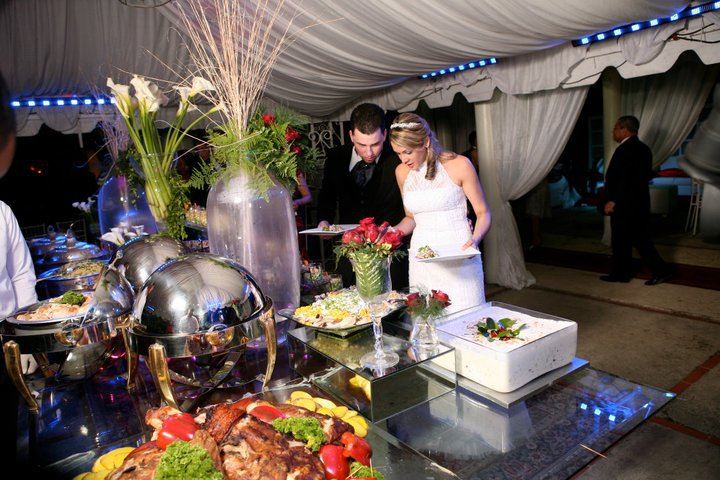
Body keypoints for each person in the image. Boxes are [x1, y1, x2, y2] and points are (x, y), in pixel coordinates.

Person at [390, 113, 490, 312]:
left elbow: (483, 212)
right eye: (398, 153)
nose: (403, 159)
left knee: (466, 318)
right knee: (427, 321)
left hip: (459, 256)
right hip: (422, 259)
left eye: (408, 152)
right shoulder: (401, 172)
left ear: (426, 142)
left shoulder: (460, 165)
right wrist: (391, 233)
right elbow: (411, 218)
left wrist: (475, 240)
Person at [317, 103, 407, 288]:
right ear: (351, 136)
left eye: (375, 144)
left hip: (391, 255)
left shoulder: (398, 159)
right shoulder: (336, 157)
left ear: (385, 134)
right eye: (362, 145)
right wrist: (323, 221)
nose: (369, 152)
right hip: (348, 252)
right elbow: (327, 197)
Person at [601, 115, 673, 285]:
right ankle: (621, 273)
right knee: (626, 239)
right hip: (637, 202)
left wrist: (613, 200)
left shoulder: (625, 149)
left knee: (633, 240)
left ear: (624, 129)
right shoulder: (643, 148)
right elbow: (643, 175)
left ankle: (661, 271)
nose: (613, 132)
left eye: (615, 128)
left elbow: (625, 179)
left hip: (624, 203)